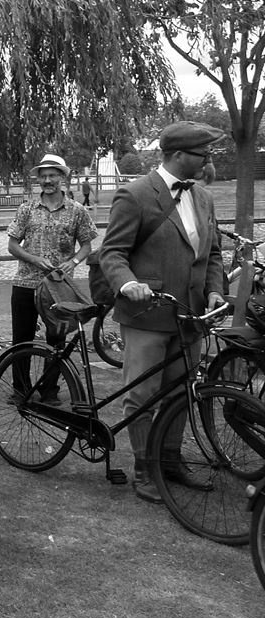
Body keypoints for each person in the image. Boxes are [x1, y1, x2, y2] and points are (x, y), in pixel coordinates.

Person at [99, 120, 226, 503]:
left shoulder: (203, 198)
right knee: (142, 395)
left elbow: (213, 253)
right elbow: (112, 253)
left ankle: (170, 462)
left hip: (191, 317)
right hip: (147, 315)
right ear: (177, 155)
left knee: (181, 391)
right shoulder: (135, 195)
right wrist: (126, 284)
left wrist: (216, 292)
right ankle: (143, 467)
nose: (207, 161)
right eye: (202, 154)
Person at [6, 153, 96, 404]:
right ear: (38, 180)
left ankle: (49, 391)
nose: (47, 180)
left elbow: (87, 245)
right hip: (25, 283)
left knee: (56, 340)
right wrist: (33, 259)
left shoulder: (77, 211)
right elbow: (12, 246)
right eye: (43, 176)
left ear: (62, 178)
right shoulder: (26, 209)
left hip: (58, 287)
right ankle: (21, 389)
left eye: (52, 175)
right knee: (21, 340)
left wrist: (74, 261)